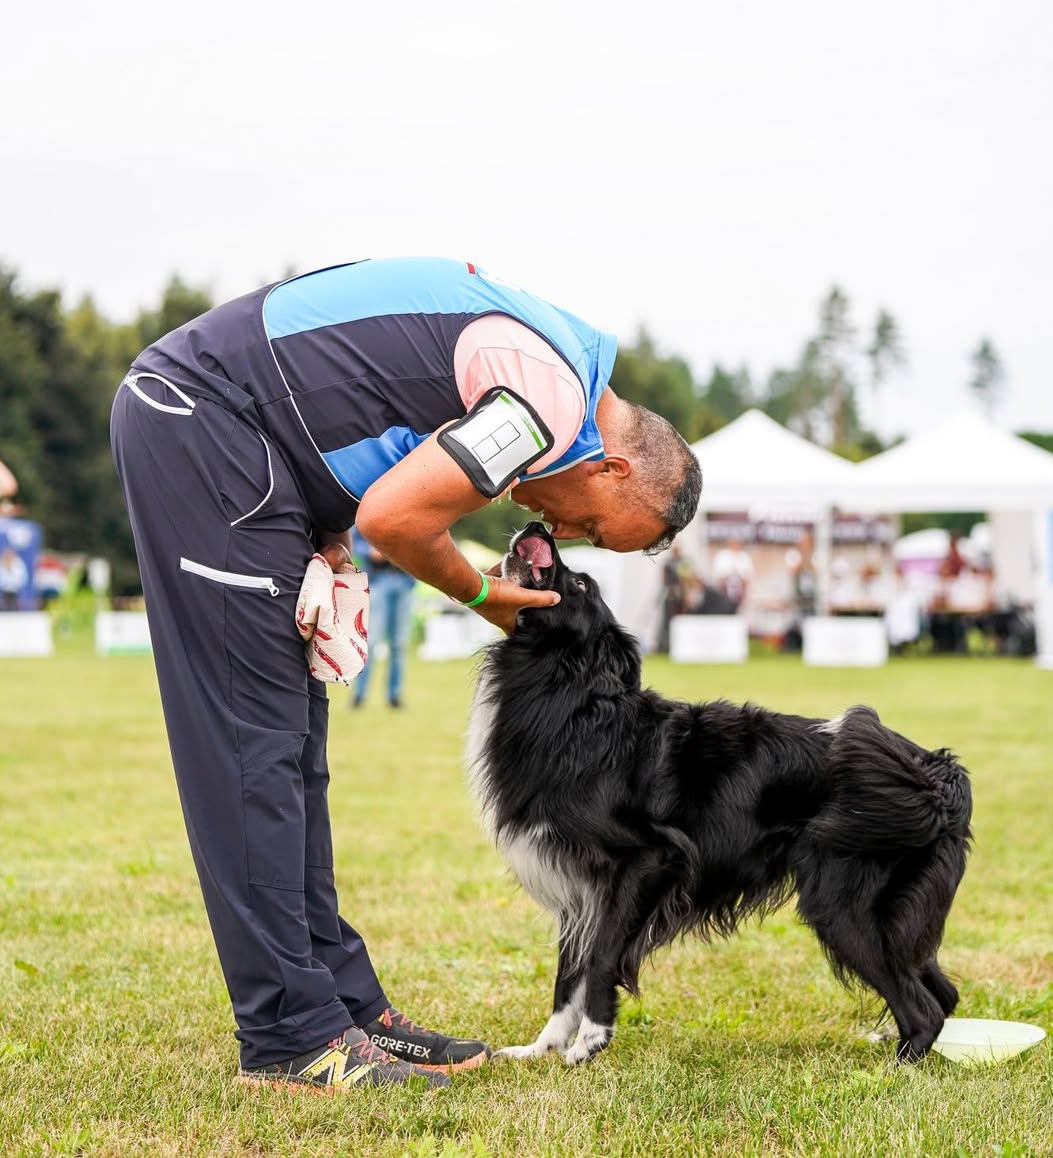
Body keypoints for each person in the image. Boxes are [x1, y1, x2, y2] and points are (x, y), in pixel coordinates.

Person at [110, 256, 702, 1092]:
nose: (571, 536)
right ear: (613, 471)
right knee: (254, 752)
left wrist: (322, 519)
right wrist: (483, 596)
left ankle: (345, 1008)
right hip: (205, 423)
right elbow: (397, 519)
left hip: (252, 445)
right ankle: (289, 1037)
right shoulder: (546, 406)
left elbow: (365, 405)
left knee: (293, 752)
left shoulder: (558, 368)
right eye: (600, 531)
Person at [349, 531, 416, 710]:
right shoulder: (368, 513)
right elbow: (353, 540)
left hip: (403, 580)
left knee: (399, 645)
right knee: (370, 642)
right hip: (378, 580)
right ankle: (359, 695)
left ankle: (394, 696)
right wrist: (369, 550)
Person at [710, 537, 753, 613]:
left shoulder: (744, 556)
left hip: (740, 591)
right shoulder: (722, 556)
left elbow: (748, 574)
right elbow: (718, 573)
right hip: (724, 590)